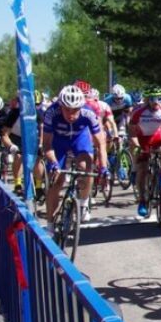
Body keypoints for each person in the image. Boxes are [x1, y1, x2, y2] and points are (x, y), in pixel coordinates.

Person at [41, 85, 107, 230]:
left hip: (79, 139)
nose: (71, 114)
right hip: (58, 142)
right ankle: (50, 224)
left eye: (75, 110)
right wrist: (53, 163)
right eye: (67, 110)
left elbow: (100, 143)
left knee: (86, 167)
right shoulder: (51, 112)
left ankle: (83, 202)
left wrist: (103, 167)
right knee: (55, 181)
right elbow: (46, 144)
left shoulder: (88, 113)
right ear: (60, 106)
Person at [129, 85, 161, 217]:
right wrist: (137, 146)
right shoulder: (138, 112)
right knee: (142, 169)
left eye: (159, 98)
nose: (156, 102)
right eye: (153, 99)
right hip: (142, 138)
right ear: (147, 99)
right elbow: (132, 133)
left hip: (158, 136)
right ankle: (142, 200)